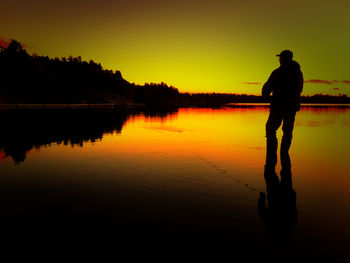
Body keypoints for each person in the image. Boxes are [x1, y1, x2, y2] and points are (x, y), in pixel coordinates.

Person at [262, 50, 303, 170]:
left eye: (280, 58)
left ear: (284, 59)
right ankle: (284, 154)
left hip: (278, 106)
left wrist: (266, 94)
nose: (279, 60)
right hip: (291, 107)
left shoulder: (278, 72)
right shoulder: (298, 73)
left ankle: (271, 157)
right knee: (288, 131)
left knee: (270, 129)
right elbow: (299, 89)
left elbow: (266, 89)